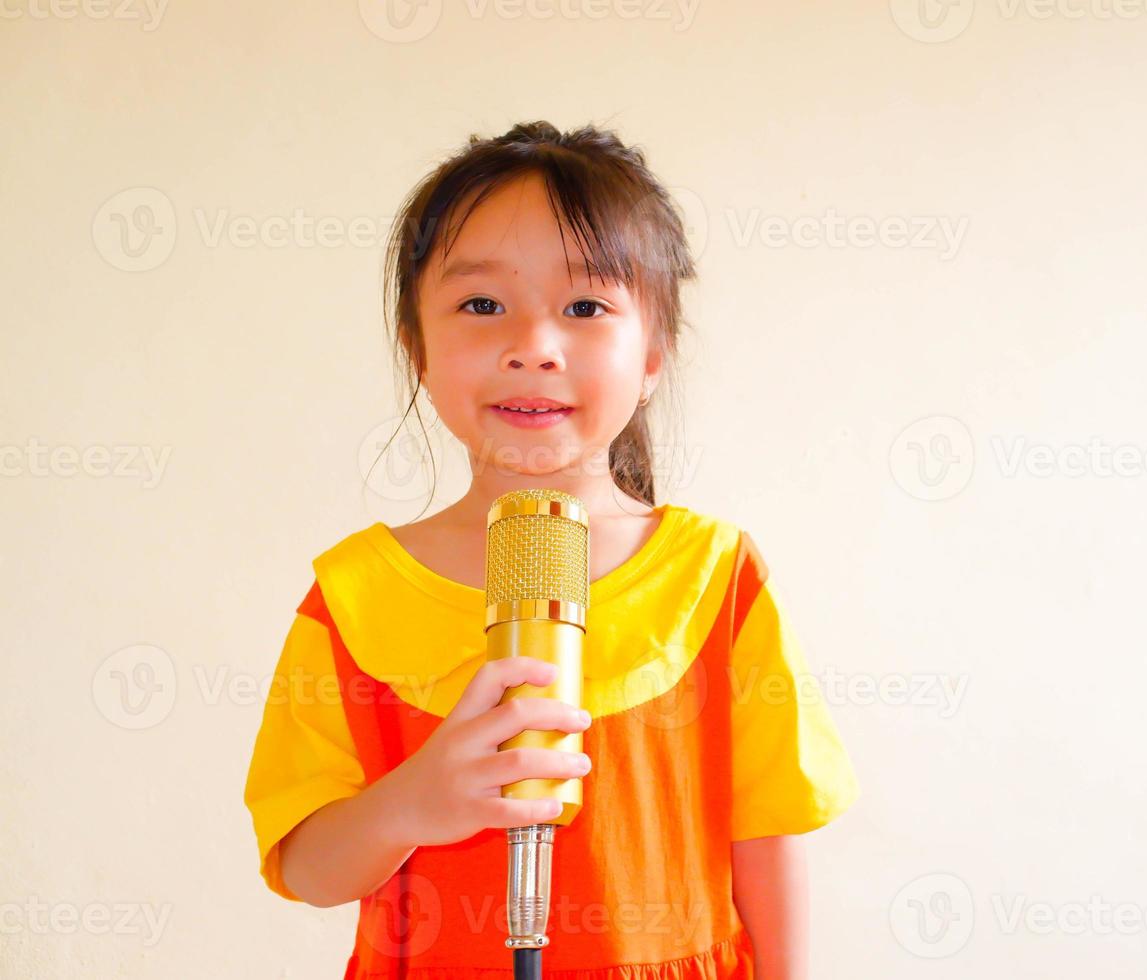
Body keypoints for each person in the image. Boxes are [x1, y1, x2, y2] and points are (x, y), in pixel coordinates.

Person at [242, 121, 859, 980]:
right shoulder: (353, 593)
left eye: (585, 307)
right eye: (482, 305)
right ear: (418, 348)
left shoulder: (715, 579)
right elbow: (306, 865)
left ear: (653, 355)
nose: (533, 346)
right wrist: (413, 803)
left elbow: (767, 833)